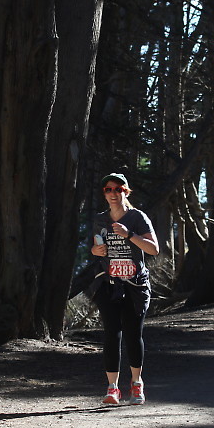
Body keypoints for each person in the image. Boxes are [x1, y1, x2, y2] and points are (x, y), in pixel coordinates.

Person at [88, 173, 159, 405]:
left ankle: (137, 385)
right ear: (104, 193)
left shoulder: (138, 217)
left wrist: (129, 235)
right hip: (108, 283)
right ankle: (112, 389)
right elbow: (97, 246)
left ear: (125, 192)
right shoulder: (100, 219)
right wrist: (95, 251)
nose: (113, 193)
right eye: (108, 189)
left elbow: (154, 249)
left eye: (118, 189)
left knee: (133, 334)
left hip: (135, 285)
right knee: (111, 333)